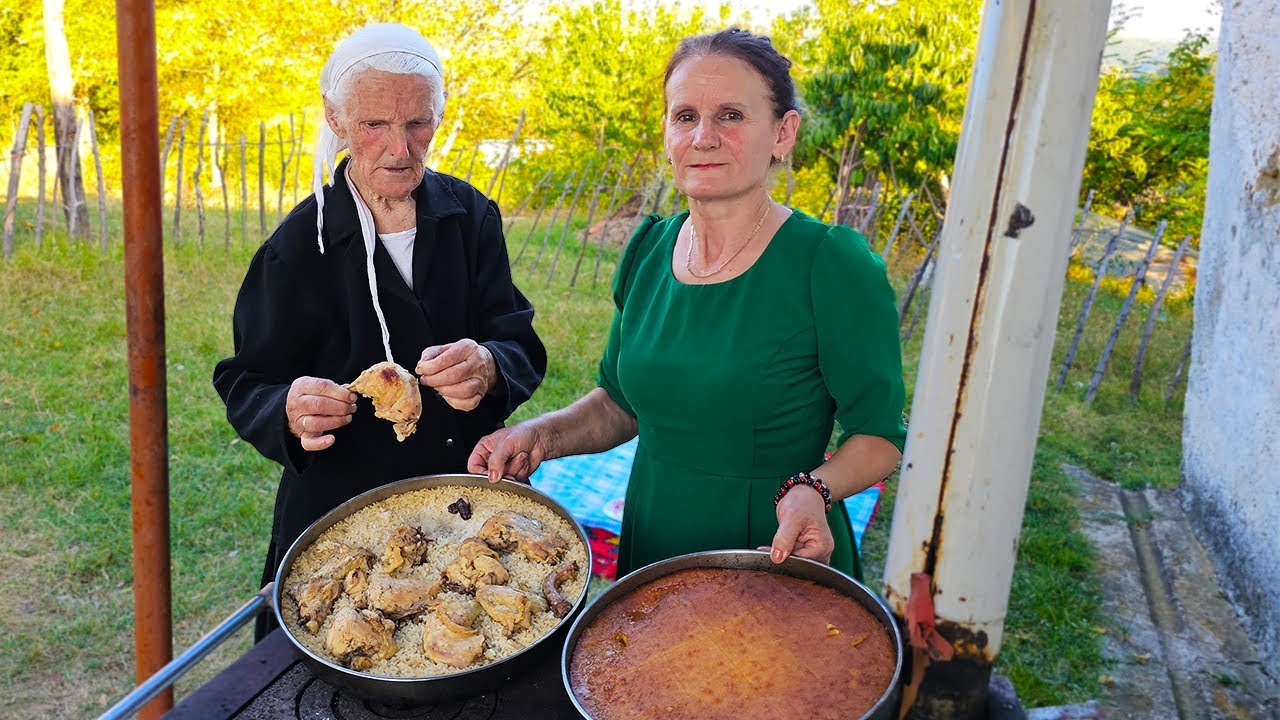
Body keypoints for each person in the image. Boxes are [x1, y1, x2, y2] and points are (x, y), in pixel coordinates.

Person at [469, 28, 905, 582]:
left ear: (783, 132)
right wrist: (539, 436)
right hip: (654, 537)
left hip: (773, 547)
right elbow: (621, 403)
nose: (703, 137)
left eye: (731, 116)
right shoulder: (649, 249)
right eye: (685, 116)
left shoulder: (831, 263)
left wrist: (812, 489)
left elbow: (880, 436)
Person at [213, 23, 546, 639]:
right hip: (347, 514)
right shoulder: (298, 248)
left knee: (475, 650)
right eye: (374, 125)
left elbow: (517, 337)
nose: (400, 148)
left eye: (418, 123)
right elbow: (246, 381)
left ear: (439, 118)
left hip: (466, 497)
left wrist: (491, 364)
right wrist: (288, 409)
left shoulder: (469, 217)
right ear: (335, 118)